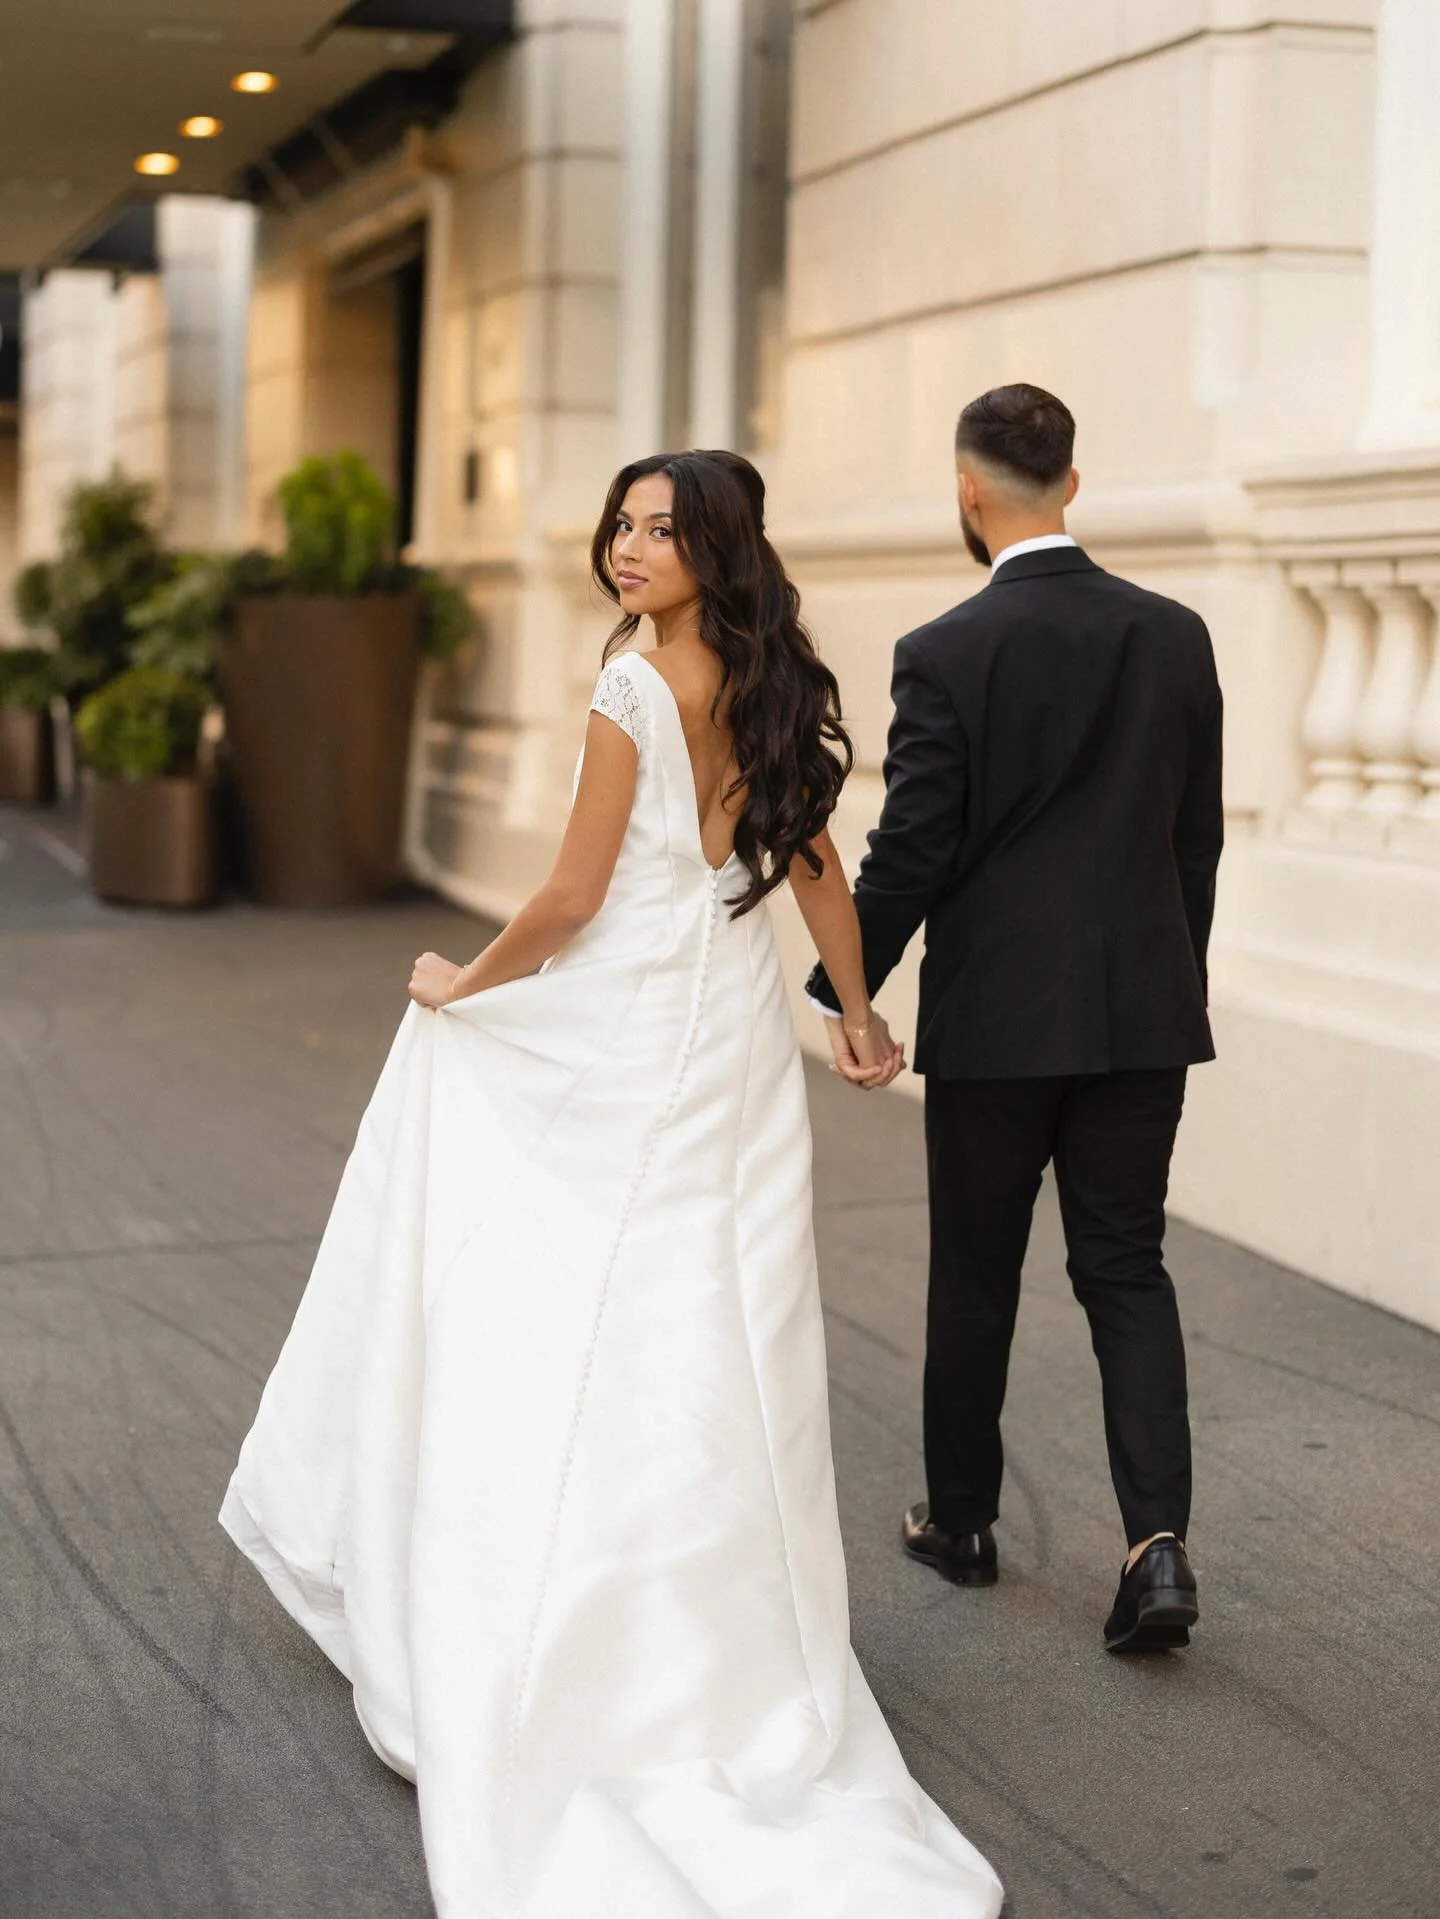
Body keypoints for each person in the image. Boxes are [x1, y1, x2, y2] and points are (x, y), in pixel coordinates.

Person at [221, 450, 1003, 1918]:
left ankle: (580, 1638)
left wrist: (465, 975)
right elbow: (816, 861)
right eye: (624, 524)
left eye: (661, 529)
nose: (630, 548)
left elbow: (576, 896)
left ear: (715, 547)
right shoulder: (765, 680)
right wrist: (852, 1007)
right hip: (732, 1025)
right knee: (723, 1323)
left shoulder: (636, 686)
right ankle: (729, 1651)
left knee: (586, 1302)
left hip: (640, 1021)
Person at [807, 385, 1224, 1654]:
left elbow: (915, 843)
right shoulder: (1176, 633)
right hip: (1142, 1013)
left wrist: (849, 987)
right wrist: (1167, 979)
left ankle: (965, 1523)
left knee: (977, 1266)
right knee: (1126, 1266)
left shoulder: (947, 651)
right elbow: (1193, 840)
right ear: (1074, 486)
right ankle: (1158, 1545)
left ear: (968, 492)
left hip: (997, 1020)